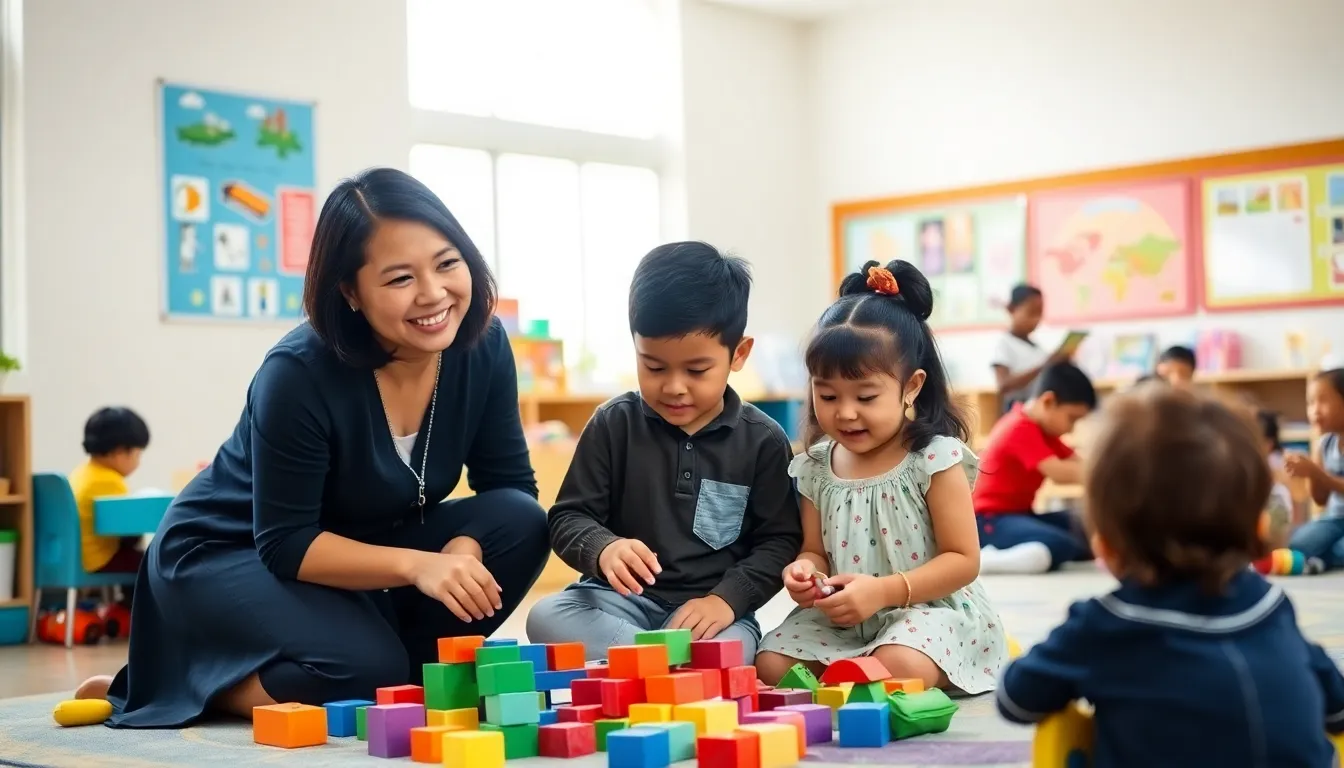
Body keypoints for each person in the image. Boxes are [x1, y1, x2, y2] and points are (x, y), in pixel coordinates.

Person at [77, 168, 550, 727]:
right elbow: (285, 541)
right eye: (400, 279)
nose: (433, 294)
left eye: (447, 263)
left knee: (521, 520)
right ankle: (177, 684)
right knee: (368, 669)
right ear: (349, 291)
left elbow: (510, 488)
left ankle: (400, 672)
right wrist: (419, 565)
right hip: (228, 551)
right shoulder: (297, 373)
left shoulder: (483, 343)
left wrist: (463, 553)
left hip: (357, 550)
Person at [996, 383, 1344, 766]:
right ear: (1257, 527)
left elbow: (1016, 700)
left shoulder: (1104, 625)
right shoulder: (1272, 608)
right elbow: (1338, 710)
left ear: (1107, 545)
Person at [526, 242, 801, 662]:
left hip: (709, 614)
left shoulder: (762, 440)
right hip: (618, 603)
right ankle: (662, 663)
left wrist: (726, 600)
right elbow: (568, 517)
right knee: (546, 616)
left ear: (738, 354)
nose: (673, 386)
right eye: (654, 367)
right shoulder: (613, 423)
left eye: (696, 370)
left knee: (737, 651)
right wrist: (604, 548)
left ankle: (645, 665)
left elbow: (779, 541)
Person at [752, 259, 1007, 693]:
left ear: (912, 387)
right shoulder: (816, 464)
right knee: (770, 662)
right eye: (827, 394)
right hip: (847, 618)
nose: (845, 412)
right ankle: (856, 675)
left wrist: (885, 591)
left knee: (898, 662)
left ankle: (869, 673)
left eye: (866, 396)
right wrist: (803, 572)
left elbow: (964, 560)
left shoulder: (933, 458)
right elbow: (816, 550)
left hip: (925, 610)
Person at [974, 363, 1097, 574]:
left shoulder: (1045, 432)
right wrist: (1108, 474)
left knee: (1087, 526)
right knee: (1061, 543)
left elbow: (1078, 463)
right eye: (1072, 419)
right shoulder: (1019, 427)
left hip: (1020, 515)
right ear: (1048, 401)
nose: (1072, 428)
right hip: (988, 520)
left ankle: (1041, 552)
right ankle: (987, 559)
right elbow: (1059, 472)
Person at [70, 407, 150, 575]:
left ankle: (124, 601)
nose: (138, 463)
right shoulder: (110, 481)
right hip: (98, 559)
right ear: (120, 451)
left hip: (75, 557)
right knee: (154, 562)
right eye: (137, 454)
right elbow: (128, 531)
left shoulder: (82, 473)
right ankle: (130, 602)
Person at [1281, 368, 1344, 570]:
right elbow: (1320, 499)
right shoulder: (1324, 444)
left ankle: (1322, 559)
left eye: (1323, 401)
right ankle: (1323, 559)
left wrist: (1316, 472)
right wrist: (1309, 474)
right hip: (1335, 519)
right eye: (1310, 402)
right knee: (1297, 544)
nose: (1315, 410)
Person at [990, 284, 1064, 413]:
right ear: (1012, 310)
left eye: (1039, 314)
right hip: (1018, 410)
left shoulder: (1036, 347)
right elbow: (1003, 384)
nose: (1036, 320)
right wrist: (1043, 366)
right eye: (1031, 313)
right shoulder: (1004, 345)